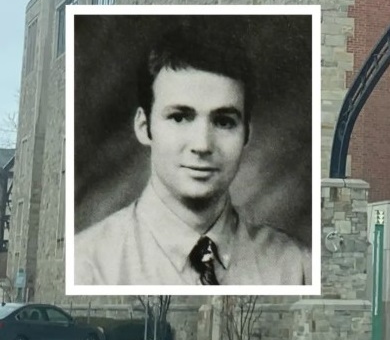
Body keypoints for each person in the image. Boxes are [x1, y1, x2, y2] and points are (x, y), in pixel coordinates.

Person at [74, 20, 311, 286]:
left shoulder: (296, 268)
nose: (202, 145)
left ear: (247, 133)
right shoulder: (87, 265)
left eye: (223, 122)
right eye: (179, 118)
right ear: (144, 127)